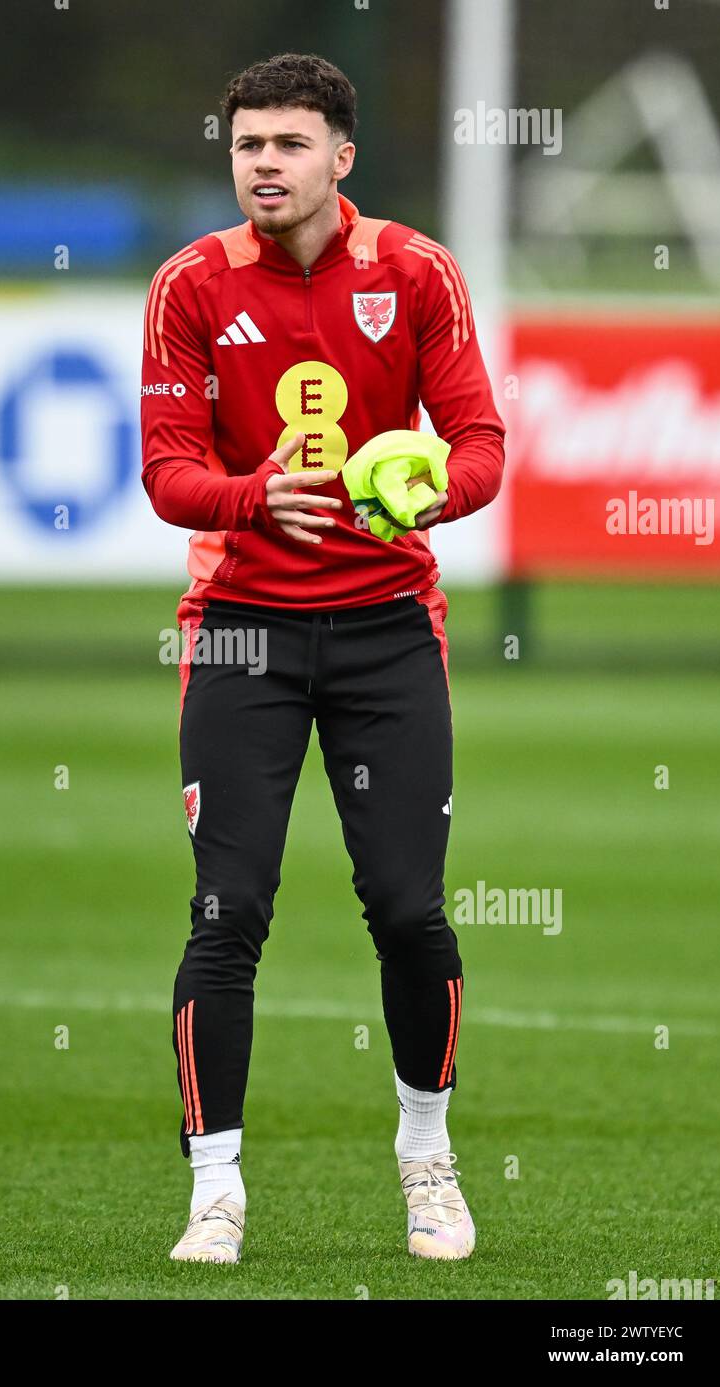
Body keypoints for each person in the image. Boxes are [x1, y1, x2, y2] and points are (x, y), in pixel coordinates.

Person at [140, 52, 504, 1264]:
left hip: (387, 630)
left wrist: (423, 498)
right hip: (241, 630)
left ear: (340, 158)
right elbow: (167, 474)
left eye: (288, 145)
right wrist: (251, 498)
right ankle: (214, 1191)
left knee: (406, 909)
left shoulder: (413, 271)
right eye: (247, 145)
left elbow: (480, 445)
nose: (263, 166)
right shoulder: (189, 284)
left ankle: (426, 1161)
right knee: (225, 909)